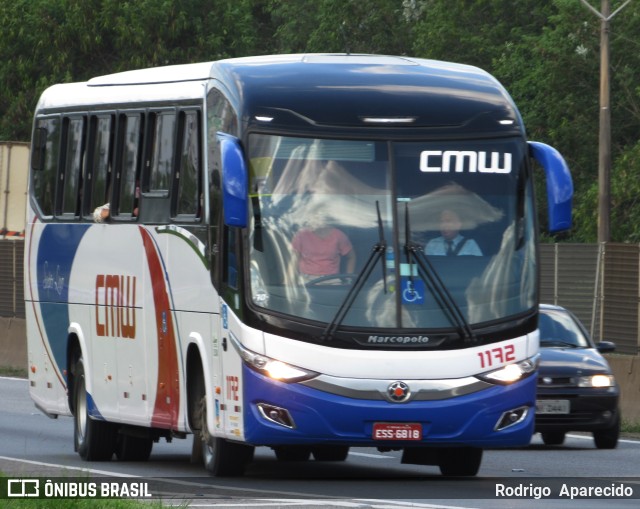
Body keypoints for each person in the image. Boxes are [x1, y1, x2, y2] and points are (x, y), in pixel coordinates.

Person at [292, 224, 356, 282]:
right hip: (306, 280)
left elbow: (351, 257)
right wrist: (288, 281)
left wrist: (348, 279)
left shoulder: (338, 235)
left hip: (332, 279)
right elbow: (294, 260)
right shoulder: (302, 234)